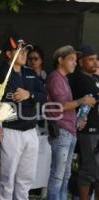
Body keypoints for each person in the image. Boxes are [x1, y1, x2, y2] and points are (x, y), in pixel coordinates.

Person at [0, 36, 46, 200]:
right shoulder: (2, 72)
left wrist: (29, 95)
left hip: (31, 131)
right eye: (20, 50)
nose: (25, 53)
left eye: (26, 50)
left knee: (26, 179)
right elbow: (11, 97)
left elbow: (44, 95)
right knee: (7, 179)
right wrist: (32, 97)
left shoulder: (29, 72)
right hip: (10, 131)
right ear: (9, 54)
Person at [46, 45, 96, 200]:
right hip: (61, 131)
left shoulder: (64, 78)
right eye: (72, 59)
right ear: (61, 60)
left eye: (75, 60)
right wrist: (82, 100)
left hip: (69, 131)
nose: (75, 63)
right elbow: (62, 105)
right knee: (58, 175)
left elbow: (67, 106)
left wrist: (79, 118)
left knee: (65, 175)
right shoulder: (55, 77)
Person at [69, 45, 99, 200]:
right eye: (91, 60)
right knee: (89, 169)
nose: (96, 63)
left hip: (96, 129)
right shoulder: (80, 78)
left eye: (96, 59)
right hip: (88, 130)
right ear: (81, 62)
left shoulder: (93, 78)